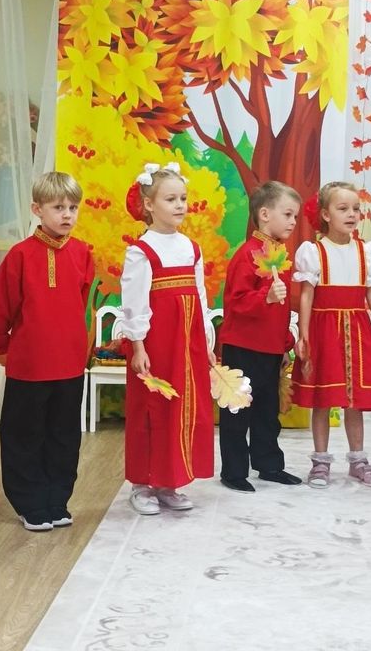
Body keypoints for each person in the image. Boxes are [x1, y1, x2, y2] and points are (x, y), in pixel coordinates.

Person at [0, 172, 94, 531]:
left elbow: (79, 305)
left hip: (70, 364)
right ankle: (29, 502)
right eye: (58, 207)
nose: (67, 214)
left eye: (73, 207)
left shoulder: (83, 253)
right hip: (29, 364)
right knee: (24, 435)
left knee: (64, 435)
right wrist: (1, 347)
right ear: (37, 209)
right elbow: (2, 309)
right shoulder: (19, 256)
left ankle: (56, 500)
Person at [121, 162, 215, 515]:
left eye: (183, 198)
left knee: (181, 409)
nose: (180, 205)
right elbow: (134, 302)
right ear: (149, 204)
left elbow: (200, 298)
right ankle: (142, 484)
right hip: (156, 345)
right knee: (152, 408)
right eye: (171, 199)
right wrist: (138, 346)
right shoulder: (141, 251)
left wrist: (206, 342)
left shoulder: (191, 248)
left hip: (187, 344)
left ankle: (168, 481)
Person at [292, 181, 371, 488]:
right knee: (323, 398)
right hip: (324, 332)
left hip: (358, 332)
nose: (352, 214)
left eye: (356, 209)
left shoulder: (366, 252)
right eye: (343, 208)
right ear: (325, 214)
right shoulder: (314, 252)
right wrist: (303, 334)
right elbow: (307, 295)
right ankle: (320, 462)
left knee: (355, 400)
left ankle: (358, 460)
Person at [219, 181, 302, 493]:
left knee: (268, 410)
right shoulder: (246, 255)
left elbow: (280, 311)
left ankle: (269, 465)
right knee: (237, 410)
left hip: (269, 349)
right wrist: (264, 297)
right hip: (242, 347)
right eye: (288, 214)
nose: (293, 222)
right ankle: (233, 471)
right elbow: (235, 302)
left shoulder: (280, 256)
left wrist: (284, 345)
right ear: (265, 214)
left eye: (295, 216)